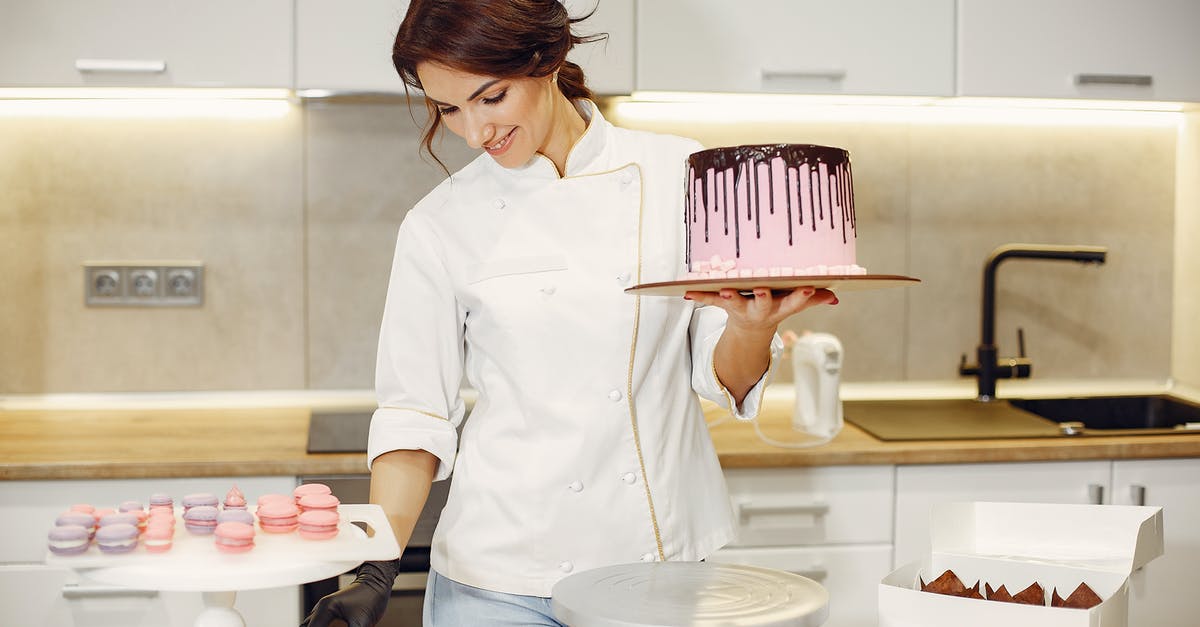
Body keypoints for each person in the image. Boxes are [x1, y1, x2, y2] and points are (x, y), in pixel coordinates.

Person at [302, 1, 836, 625]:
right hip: (499, 573)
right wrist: (377, 565)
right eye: (448, 109)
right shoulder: (438, 224)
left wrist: (751, 325)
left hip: (660, 567)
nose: (474, 133)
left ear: (548, 61)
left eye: (491, 98)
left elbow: (722, 375)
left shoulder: (676, 174)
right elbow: (413, 412)